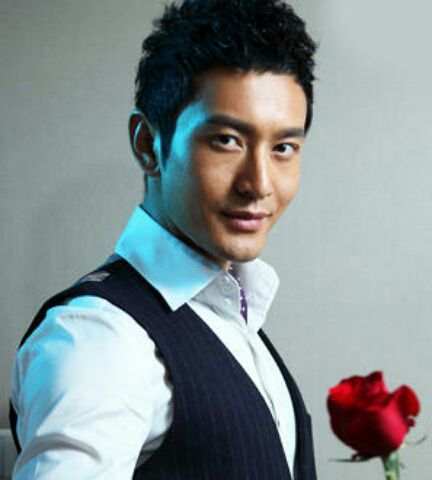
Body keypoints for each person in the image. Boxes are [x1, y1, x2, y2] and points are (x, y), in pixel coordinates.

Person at [9, 0, 318, 478]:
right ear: (147, 143)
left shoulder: (234, 314)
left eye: (283, 148)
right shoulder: (98, 338)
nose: (259, 183)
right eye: (226, 141)